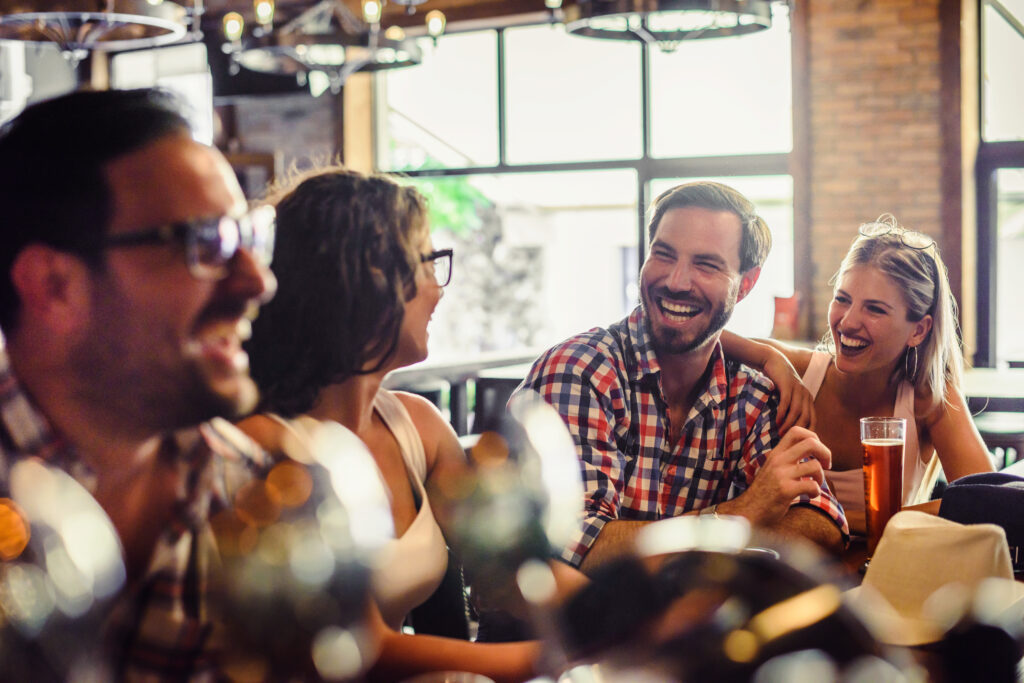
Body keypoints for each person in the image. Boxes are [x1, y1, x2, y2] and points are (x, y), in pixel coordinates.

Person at [0, 88, 277, 675]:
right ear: (54, 285)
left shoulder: (247, 490)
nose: (258, 282)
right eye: (206, 242)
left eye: (249, 237)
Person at [241, 166, 546, 682]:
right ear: (365, 280)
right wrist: (549, 659)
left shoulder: (417, 426)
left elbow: (505, 571)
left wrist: (624, 606)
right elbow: (359, 646)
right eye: (427, 263)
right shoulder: (266, 449)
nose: (439, 291)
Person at [516, 181, 849, 575]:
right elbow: (575, 547)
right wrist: (743, 514)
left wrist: (701, 546)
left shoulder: (751, 394)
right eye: (663, 254)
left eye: (706, 265)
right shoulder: (580, 372)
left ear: (746, 284)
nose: (676, 281)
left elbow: (823, 522)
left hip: (688, 616)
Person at [721, 215, 994, 534]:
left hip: (882, 564)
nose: (848, 322)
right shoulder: (798, 371)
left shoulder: (928, 398)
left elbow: (988, 503)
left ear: (918, 330)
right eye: (842, 299)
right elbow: (701, 338)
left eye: (875, 309)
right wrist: (768, 356)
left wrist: (840, 519)